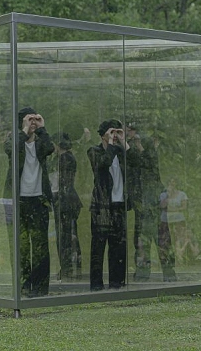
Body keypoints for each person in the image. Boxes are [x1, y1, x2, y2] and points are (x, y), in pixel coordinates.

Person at [4, 106, 55, 297]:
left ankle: (40, 288)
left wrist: (42, 128)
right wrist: (24, 130)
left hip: (39, 200)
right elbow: (12, 150)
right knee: (21, 245)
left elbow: (50, 148)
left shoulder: (41, 142)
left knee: (41, 246)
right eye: (29, 119)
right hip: (18, 200)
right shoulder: (14, 139)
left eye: (35, 119)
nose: (33, 123)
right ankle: (23, 286)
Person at [125, 120, 176, 282]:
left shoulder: (143, 142)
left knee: (160, 237)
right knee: (143, 238)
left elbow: (150, 164)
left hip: (152, 199)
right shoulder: (130, 145)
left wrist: (138, 147)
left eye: (129, 129)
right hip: (142, 200)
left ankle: (167, 271)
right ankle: (144, 271)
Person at [87, 118, 129, 291]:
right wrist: (111, 144)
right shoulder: (94, 151)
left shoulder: (120, 152)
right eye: (111, 132)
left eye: (117, 132)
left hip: (119, 204)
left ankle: (116, 283)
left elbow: (136, 162)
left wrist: (123, 141)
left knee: (118, 246)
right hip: (102, 205)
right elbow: (103, 163)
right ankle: (96, 285)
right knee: (98, 246)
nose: (114, 135)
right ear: (102, 135)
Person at [54, 132, 83, 280]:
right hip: (69, 200)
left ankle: (68, 268)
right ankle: (72, 267)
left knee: (65, 236)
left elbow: (63, 182)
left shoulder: (64, 158)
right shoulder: (69, 157)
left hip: (65, 201)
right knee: (70, 235)